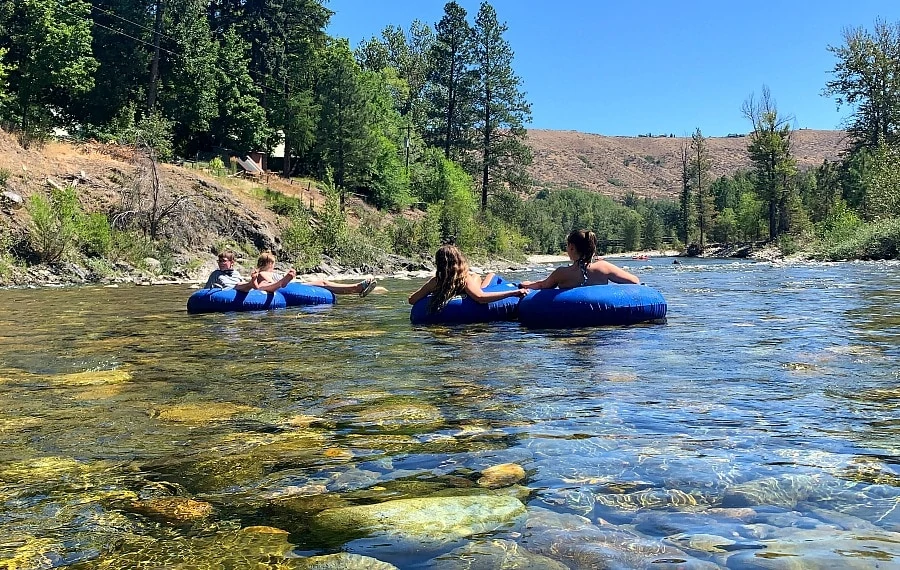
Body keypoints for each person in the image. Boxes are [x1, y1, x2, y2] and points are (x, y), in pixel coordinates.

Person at [408, 245, 528, 313]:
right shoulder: (464, 279)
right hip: (475, 289)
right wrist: (514, 292)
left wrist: (430, 294)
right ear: (458, 261)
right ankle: (489, 276)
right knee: (488, 275)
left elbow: (412, 300)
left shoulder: (435, 281)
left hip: (453, 291)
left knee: (476, 276)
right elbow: (480, 298)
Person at [519, 229, 640, 290]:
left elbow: (542, 285)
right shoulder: (604, 267)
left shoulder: (561, 273)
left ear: (571, 248)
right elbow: (634, 281)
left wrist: (526, 284)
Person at [238, 251, 378, 297]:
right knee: (323, 283)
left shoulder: (264, 273)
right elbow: (261, 288)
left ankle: (357, 288)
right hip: (288, 289)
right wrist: (283, 281)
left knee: (322, 282)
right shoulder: (263, 274)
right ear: (270, 264)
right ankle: (357, 288)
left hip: (291, 286)